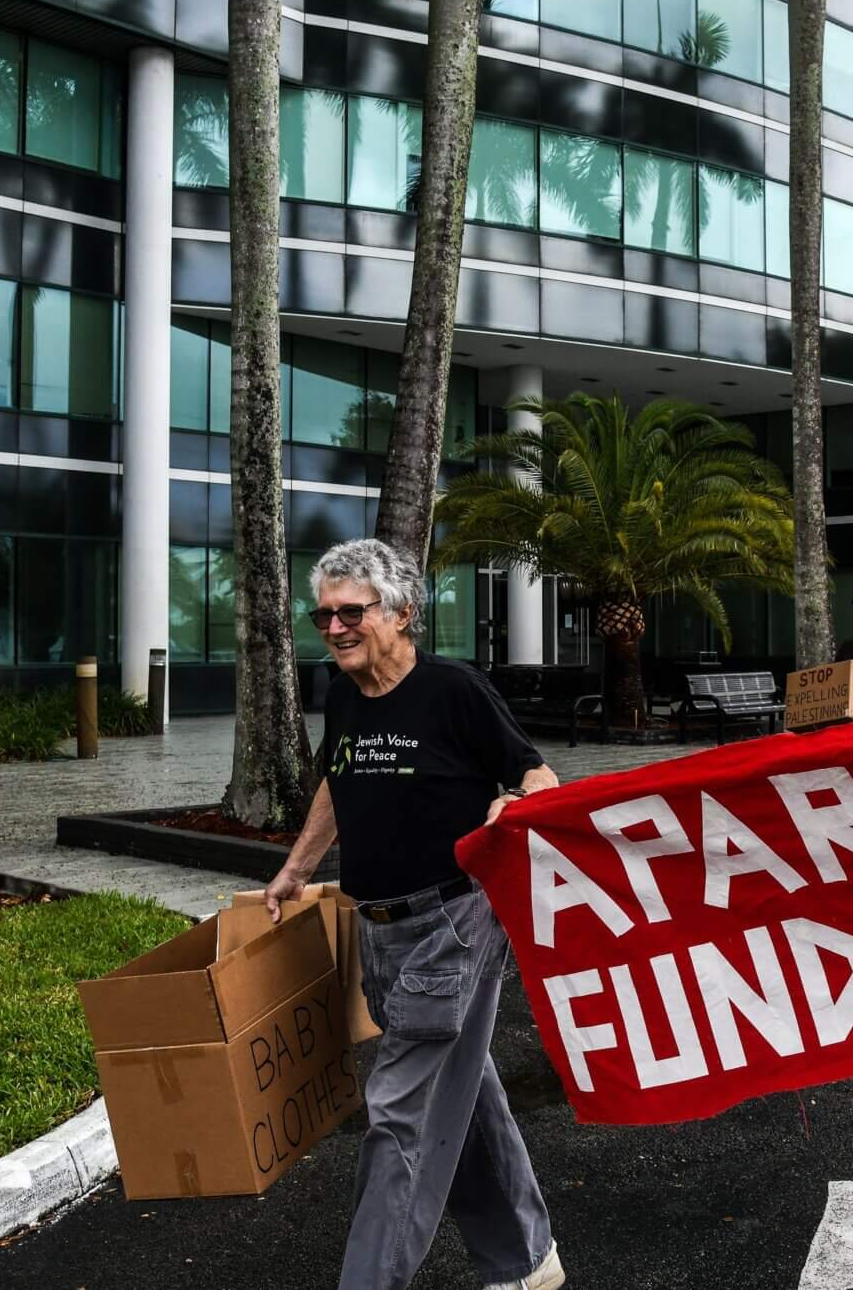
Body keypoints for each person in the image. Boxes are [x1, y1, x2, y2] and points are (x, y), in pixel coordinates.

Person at [264, 539, 565, 1290]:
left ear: (400, 614)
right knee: (462, 1086)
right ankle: (527, 1260)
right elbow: (338, 780)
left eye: (350, 612)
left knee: (398, 1114)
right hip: (380, 931)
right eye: (324, 613)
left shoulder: (453, 691)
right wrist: (298, 868)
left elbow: (537, 773)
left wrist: (516, 802)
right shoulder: (342, 695)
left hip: (453, 924)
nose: (333, 627)